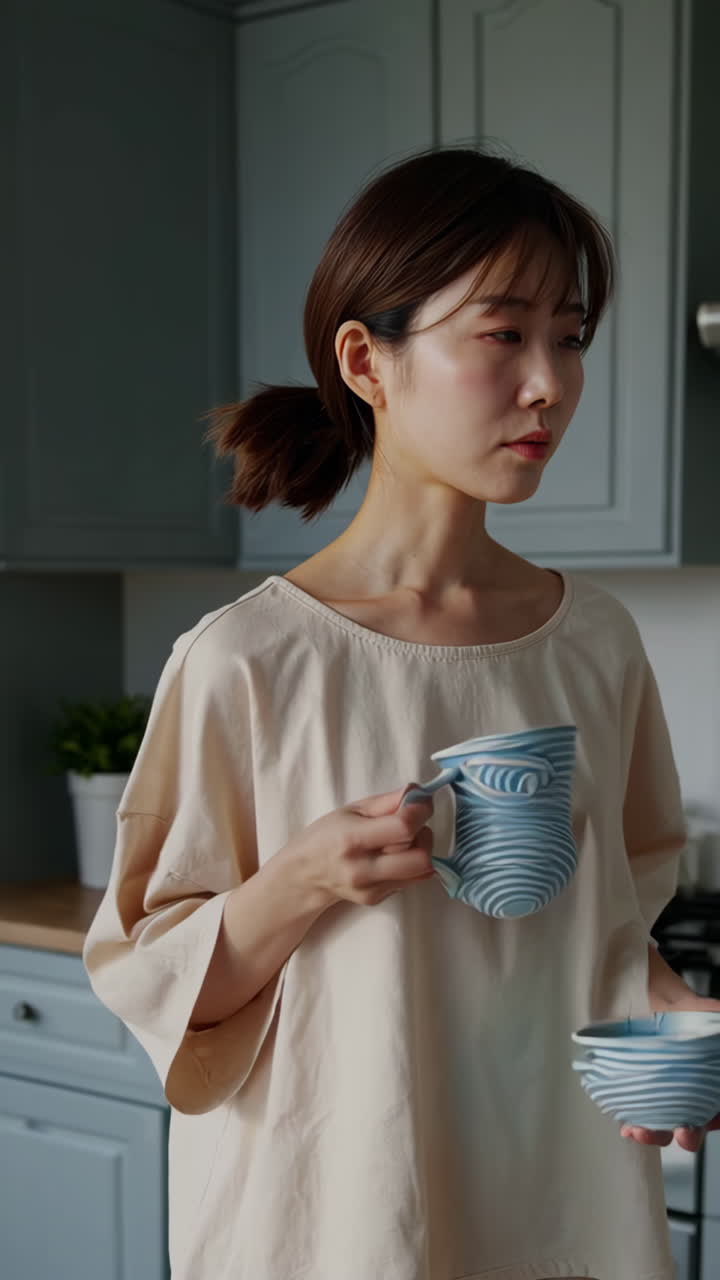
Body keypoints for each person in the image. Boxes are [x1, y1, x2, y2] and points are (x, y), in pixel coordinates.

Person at [84, 147, 720, 1280]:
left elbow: (614, 919)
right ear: (367, 359)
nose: (550, 383)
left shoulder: (593, 641)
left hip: (554, 1193)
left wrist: (664, 1014)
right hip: (335, 1213)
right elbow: (157, 982)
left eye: (569, 337)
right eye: (503, 332)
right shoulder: (248, 658)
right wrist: (306, 877)